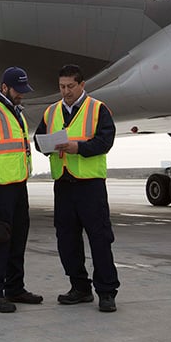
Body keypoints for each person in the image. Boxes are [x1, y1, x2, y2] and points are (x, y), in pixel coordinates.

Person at [34, 64, 120, 312]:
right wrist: (46, 145)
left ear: (82, 85)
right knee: (67, 239)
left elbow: (105, 142)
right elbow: (39, 141)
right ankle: (79, 287)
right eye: (62, 87)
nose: (65, 91)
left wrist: (78, 148)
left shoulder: (97, 109)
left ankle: (106, 292)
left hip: (90, 184)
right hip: (63, 184)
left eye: (70, 86)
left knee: (100, 238)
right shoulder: (51, 112)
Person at [0, 66, 44, 313]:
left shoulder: (16, 111)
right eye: (18, 90)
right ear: (4, 87)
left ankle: (14, 287)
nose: (21, 94)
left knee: (17, 238)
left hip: (18, 185)